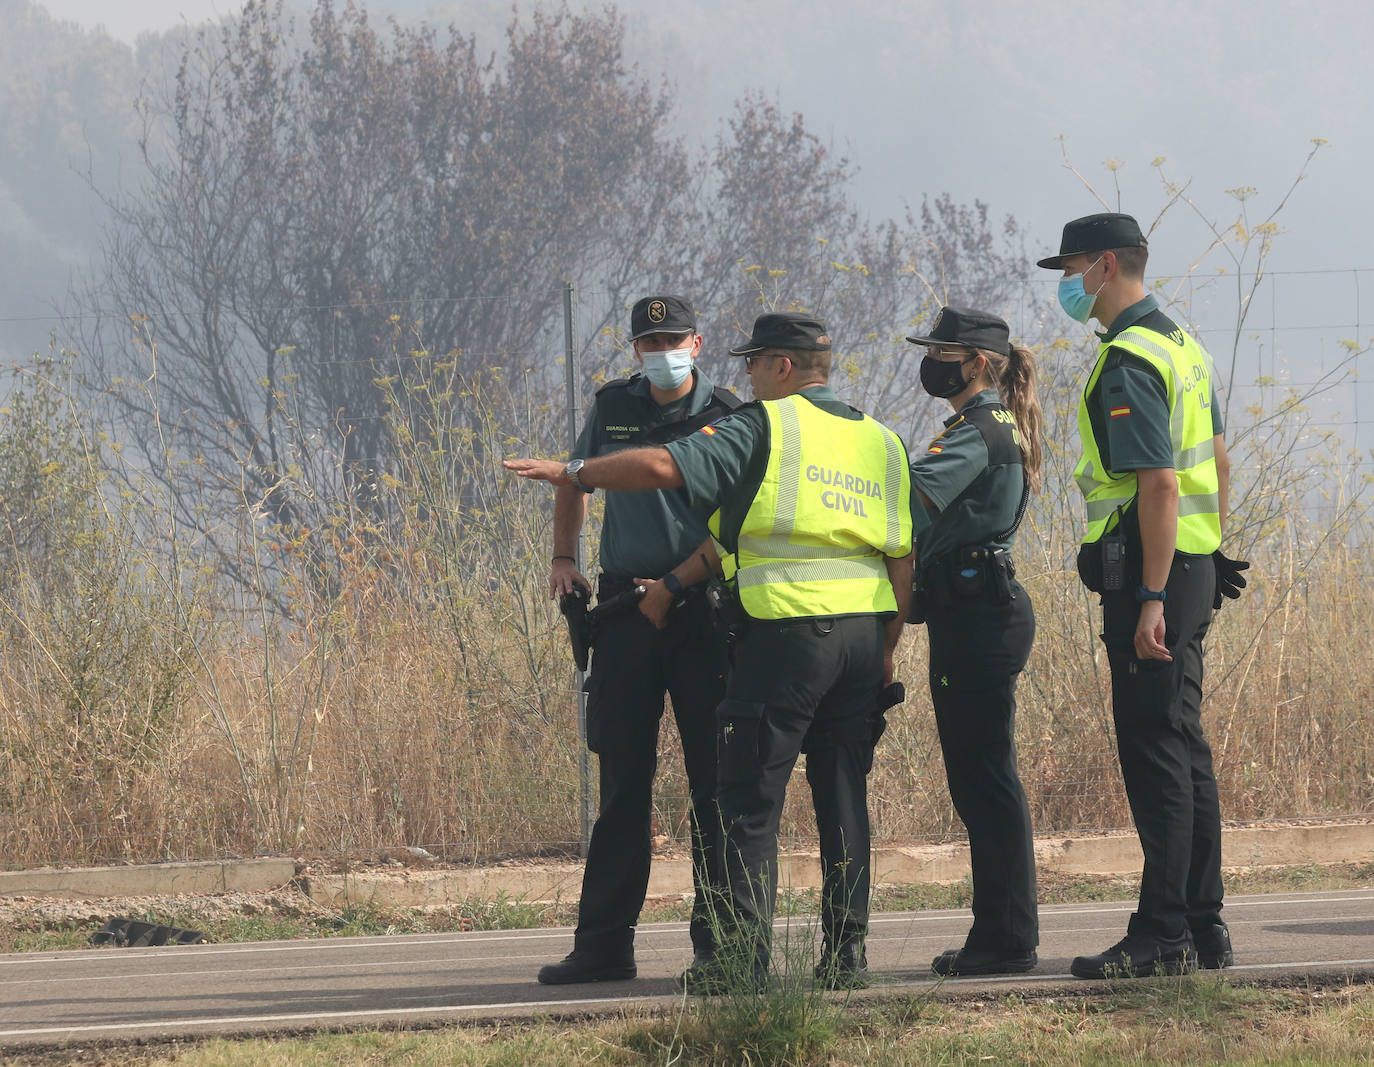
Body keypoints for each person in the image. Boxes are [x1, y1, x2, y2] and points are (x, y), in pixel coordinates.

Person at [507, 312, 914, 991]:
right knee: (639, 788)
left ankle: (728, 954)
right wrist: (888, 647)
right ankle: (832, 955)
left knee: (730, 798)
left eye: (755, 360)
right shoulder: (877, 438)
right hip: (692, 617)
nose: (746, 372)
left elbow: (671, 472)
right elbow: (899, 556)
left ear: (780, 366)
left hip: (735, 624)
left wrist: (575, 471)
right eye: (650, 342)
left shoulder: (749, 422)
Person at [1039, 213, 1249, 979]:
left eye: (1069, 269)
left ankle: (1161, 932)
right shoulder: (1183, 343)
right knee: (1184, 745)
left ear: (1102, 265)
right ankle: (1202, 923)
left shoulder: (1129, 357)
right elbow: (1218, 464)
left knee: (1156, 749)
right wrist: (1207, 546)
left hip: (1150, 578)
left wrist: (1154, 594)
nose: (1064, 284)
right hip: (1190, 564)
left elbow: (1159, 480)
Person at [535, 294, 741, 985]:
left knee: (714, 788)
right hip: (625, 608)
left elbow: (740, 523)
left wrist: (678, 585)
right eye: (649, 342)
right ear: (634, 350)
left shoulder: (731, 414)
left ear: (698, 342)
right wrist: (565, 556)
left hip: (700, 607)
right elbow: (575, 478)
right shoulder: (614, 405)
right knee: (624, 782)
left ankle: (719, 945)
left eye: (672, 339)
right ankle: (602, 945)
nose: (661, 352)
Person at [903, 307, 1043, 976]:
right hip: (975, 613)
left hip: (979, 618)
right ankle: (1001, 930)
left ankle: (1007, 937)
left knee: (985, 780)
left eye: (943, 350)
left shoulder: (977, 431)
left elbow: (909, 500)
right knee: (982, 779)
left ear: (979, 363)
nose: (933, 360)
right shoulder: (984, 426)